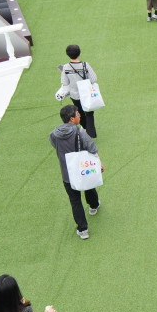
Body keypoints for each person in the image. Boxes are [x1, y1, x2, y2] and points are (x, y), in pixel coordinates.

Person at [49, 103, 99, 240]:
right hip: (82, 168)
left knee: (75, 201)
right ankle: (94, 206)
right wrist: (99, 163)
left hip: (67, 173)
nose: (80, 116)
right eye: (77, 114)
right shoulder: (80, 131)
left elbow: (54, 145)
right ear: (71, 119)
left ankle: (83, 230)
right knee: (88, 186)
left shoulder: (54, 134)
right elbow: (92, 147)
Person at [55, 43, 99, 138]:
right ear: (79, 53)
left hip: (75, 96)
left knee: (80, 114)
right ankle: (91, 134)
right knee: (89, 114)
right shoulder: (85, 65)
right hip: (86, 94)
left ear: (67, 54)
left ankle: (86, 129)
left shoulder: (65, 67)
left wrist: (63, 72)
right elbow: (93, 79)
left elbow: (65, 82)